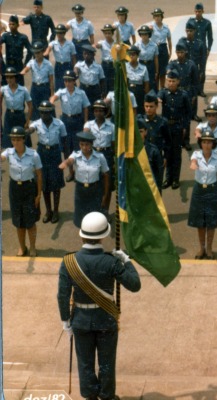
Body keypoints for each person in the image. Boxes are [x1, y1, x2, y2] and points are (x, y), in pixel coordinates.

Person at [57, 211, 141, 400]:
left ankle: (90, 396)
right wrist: (126, 262)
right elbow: (135, 285)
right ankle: (107, 395)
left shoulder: (69, 262)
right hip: (105, 318)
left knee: (85, 362)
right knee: (107, 363)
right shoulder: (111, 261)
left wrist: (65, 321)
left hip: (80, 320)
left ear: (82, 234)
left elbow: (63, 294)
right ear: (103, 236)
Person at [1, 126, 42, 256]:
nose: (15, 142)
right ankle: (22, 247)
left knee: (30, 221)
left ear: (24, 139)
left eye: (18, 139)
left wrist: (38, 194)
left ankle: (33, 247)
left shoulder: (33, 154)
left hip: (29, 188)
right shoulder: (9, 152)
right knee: (18, 222)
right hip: (15, 189)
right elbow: (1, 157)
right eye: (13, 139)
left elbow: (39, 175)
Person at [58, 132, 109, 228]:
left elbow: (106, 175)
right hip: (80, 191)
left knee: (94, 221)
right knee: (81, 221)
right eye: (82, 144)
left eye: (87, 145)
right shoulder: (76, 155)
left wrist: (105, 195)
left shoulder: (100, 157)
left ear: (91, 144)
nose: (84, 147)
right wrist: (65, 163)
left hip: (95, 190)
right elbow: (70, 160)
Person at [189, 129, 217, 260]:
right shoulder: (196, 155)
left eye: (209, 142)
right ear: (201, 143)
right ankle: (201, 248)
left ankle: (209, 248)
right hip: (199, 191)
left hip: (212, 191)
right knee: (200, 222)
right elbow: (193, 162)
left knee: (211, 221)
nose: (206, 145)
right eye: (204, 142)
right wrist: (193, 164)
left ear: (213, 144)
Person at [28, 101, 66, 224]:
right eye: (42, 112)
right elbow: (31, 129)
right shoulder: (37, 124)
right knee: (44, 183)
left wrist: (66, 159)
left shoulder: (59, 124)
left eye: (47, 112)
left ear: (51, 112)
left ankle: (56, 210)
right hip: (42, 153)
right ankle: (48, 210)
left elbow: (64, 141)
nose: (44, 115)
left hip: (55, 153)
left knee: (55, 183)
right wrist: (27, 131)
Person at [49, 69, 90, 181]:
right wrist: (51, 101)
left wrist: (85, 121)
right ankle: (71, 172)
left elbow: (86, 107)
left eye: (70, 81)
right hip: (66, 122)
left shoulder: (81, 93)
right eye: (65, 81)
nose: (67, 83)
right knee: (67, 148)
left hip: (77, 122)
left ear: (74, 81)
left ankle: (80, 171)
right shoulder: (61, 92)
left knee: (79, 148)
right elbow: (54, 97)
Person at [158, 70, 192, 189]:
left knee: (176, 154)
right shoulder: (164, 93)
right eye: (169, 81)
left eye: (173, 81)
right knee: (167, 153)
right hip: (166, 128)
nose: (171, 83)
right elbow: (158, 97)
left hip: (177, 127)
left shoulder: (183, 95)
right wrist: (158, 99)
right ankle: (168, 178)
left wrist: (184, 127)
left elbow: (188, 113)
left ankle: (176, 179)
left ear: (178, 81)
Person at [83, 100, 115, 208]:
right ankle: (95, 208)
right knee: (93, 182)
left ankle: (105, 209)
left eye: (101, 111)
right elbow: (85, 135)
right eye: (96, 111)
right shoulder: (89, 124)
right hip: (93, 154)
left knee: (107, 185)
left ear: (105, 112)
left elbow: (113, 144)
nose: (98, 113)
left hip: (106, 154)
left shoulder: (111, 126)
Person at [194, 104, 217, 190]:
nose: (211, 118)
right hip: (206, 158)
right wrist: (198, 133)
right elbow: (197, 130)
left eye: (214, 115)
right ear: (206, 116)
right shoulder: (202, 126)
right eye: (209, 115)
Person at [1, 67, 33, 148]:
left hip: (19, 117)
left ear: (15, 77)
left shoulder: (23, 90)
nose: (9, 79)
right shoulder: (3, 89)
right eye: (7, 77)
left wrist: (27, 121)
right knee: (9, 143)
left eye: (11, 77)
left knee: (21, 141)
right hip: (9, 116)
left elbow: (30, 106)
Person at [74, 44, 105, 118]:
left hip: (94, 90)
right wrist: (76, 72)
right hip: (83, 89)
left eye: (88, 54)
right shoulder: (79, 64)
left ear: (93, 55)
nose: (86, 56)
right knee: (83, 108)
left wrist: (103, 93)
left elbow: (102, 80)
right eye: (85, 54)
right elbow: (76, 69)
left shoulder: (98, 67)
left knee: (93, 109)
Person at [190, 3, 213, 97]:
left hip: (202, 50)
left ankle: (201, 90)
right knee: (193, 69)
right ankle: (193, 89)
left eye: (199, 11)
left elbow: (210, 38)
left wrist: (209, 49)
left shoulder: (207, 23)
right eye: (196, 11)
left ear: (203, 11)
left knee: (202, 70)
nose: (197, 13)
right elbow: (188, 35)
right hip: (193, 49)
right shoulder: (191, 22)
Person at [2, 15, 32, 86]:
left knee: (20, 87)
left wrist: (25, 64)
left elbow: (30, 51)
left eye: (13, 24)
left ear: (17, 25)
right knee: (6, 88)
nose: (11, 26)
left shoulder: (23, 37)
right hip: (8, 65)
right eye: (10, 24)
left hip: (18, 66)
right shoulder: (6, 36)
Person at [45, 24, 76, 90]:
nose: (59, 35)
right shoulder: (53, 43)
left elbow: (73, 57)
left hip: (67, 65)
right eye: (58, 33)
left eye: (61, 33)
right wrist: (46, 52)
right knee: (59, 85)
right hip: (58, 66)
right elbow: (49, 48)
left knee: (69, 84)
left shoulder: (70, 44)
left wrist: (74, 69)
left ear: (64, 33)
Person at [137, 117, 163, 192]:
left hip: (150, 187)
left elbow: (159, 173)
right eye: (136, 132)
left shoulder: (153, 151)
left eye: (140, 131)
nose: (138, 134)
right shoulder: (130, 152)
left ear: (146, 132)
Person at [150, 8, 172, 90]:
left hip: (163, 48)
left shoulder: (166, 27)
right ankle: (155, 89)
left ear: (161, 16)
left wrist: (170, 52)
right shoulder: (151, 28)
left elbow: (169, 40)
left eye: (158, 16)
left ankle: (162, 89)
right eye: (155, 16)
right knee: (156, 71)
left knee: (163, 71)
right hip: (154, 49)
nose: (157, 18)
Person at [125, 46, 149, 116]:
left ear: (137, 55)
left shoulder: (143, 68)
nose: (131, 56)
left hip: (139, 92)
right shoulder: (124, 66)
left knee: (139, 112)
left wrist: (146, 98)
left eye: (133, 54)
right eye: (130, 54)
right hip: (128, 90)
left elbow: (146, 84)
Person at [137, 25, 159, 92]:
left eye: (146, 34)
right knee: (141, 83)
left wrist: (156, 71)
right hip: (141, 65)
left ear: (149, 34)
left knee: (151, 83)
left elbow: (156, 59)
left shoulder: (154, 45)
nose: (144, 36)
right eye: (142, 34)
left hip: (150, 66)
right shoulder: (137, 45)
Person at [96, 24, 115, 94]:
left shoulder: (116, 43)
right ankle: (104, 95)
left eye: (109, 33)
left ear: (112, 34)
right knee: (104, 80)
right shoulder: (102, 43)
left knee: (112, 81)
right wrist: (97, 46)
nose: (107, 35)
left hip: (113, 64)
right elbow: (97, 45)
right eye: (106, 33)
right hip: (105, 64)